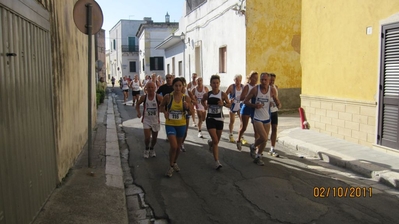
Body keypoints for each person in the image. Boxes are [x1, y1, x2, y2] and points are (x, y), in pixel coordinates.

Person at [244, 72, 281, 166]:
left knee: (265, 140)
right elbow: (245, 101)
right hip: (257, 117)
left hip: (267, 118)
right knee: (264, 137)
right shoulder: (255, 89)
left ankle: (258, 156)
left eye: (265, 80)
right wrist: (254, 105)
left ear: (269, 81)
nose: (264, 81)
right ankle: (253, 146)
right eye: (262, 80)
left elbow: (277, 100)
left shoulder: (272, 90)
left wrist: (278, 104)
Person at [160, 77, 193, 177]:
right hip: (170, 124)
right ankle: (170, 166)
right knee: (173, 146)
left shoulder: (186, 98)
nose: (178, 88)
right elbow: (161, 106)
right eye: (176, 86)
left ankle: (174, 162)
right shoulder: (168, 97)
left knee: (178, 147)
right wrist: (165, 112)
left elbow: (191, 112)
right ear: (173, 86)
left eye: (180, 86)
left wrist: (187, 107)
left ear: (183, 87)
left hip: (181, 125)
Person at [201, 74, 231, 170]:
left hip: (219, 119)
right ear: (210, 84)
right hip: (210, 119)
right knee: (215, 140)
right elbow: (202, 101)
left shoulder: (223, 94)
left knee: (216, 140)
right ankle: (217, 161)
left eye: (217, 83)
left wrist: (224, 104)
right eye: (213, 83)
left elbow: (229, 105)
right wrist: (205, 106)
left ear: (219, 83)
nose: (215, 85)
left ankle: (210, 143)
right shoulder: (208, 94)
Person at [136, 82, 163, 158]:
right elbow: (137, 104)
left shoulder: (158, 97)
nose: (150, 89)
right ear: (146, 89)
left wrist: (163, 110)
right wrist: (138, 112)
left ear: (155, 88)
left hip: (155, 121)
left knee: (154, 138)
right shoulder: (144, 97)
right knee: (147, 137)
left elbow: (165, 104)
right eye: (149, 87)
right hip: (146, 120)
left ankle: (152, 148)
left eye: (152, 87)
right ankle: (147, 148)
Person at [236, 71, 259, 151]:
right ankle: (238, 140)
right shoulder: (247, 86)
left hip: (254, 108)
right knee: (244, 127)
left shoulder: (257, 87)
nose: (255, 80)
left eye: (257, 78)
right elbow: (241, 98)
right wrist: (249, 96)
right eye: (254, 78)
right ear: (250, 78)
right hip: (246, 107)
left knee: (256, 129)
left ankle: (256, 146)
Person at [225, 74, 244, 143]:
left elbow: (246, 95)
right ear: (234, 80)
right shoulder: (231, 87)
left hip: (240, 105)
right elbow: (224, 95)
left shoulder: (243, 87)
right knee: (232, 121)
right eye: (237, 80)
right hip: (232, 105)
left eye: (240, 80)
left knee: (242, 121)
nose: (238, 82)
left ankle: (241, 136)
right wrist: (228, 101)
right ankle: (231, 134)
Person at [268, 73, 282, 157]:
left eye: (273, 80)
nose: (272, 82)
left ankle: (272, 148)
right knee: (265, 132)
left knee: (274, 129)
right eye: (271, 80)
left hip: (274, 111)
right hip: (266, 112)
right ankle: (258, 148)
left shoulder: (275, 87)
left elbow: (277, 99)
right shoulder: (265, 88)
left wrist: (279, 104)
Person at [180, 77, 195, 151]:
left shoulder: (188, 92)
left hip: (186, 113)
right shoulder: (175, 92)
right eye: (180, 84)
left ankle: (182, 143)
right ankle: (177, 143)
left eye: (183, 84)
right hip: (178, 113)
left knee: (185, 130)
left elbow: (194, 101)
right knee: (178, 129)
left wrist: (190, 103)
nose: (181, 86)